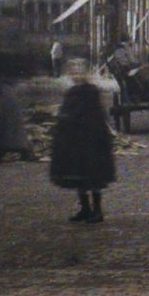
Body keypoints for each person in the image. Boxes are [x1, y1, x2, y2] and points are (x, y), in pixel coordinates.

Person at [49, 81, 116, 224]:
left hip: (90, 139)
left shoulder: (90, 92)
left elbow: (93, 115)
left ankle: (97, 210)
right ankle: (85, 208)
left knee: (93, 176)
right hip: (77, 139)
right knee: (79, 175)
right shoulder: (73, 91)